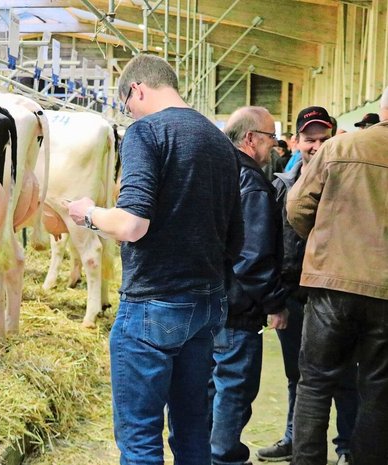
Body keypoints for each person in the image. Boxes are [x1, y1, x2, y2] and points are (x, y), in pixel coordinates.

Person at [67, 53, 244, 465]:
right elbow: (235, 236)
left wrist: (87, 214)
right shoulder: (219, 140)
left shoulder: (146, 132)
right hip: (206, 303)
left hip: (153, 305)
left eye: (127, 105)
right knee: (192, 428)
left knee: (141, 438)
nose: (129, 113)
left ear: (137, 90)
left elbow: (131, 224)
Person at [287, 89, 388, 465]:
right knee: (378, 389)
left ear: (382, 109)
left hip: (331, 284)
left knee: (314, 383)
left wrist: (323, 238)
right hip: (385, 292)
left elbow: (297, 206)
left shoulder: (340, 148)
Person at [256, 106, 358, 465]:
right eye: (309, 139)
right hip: (295, 297)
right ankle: (294, 437)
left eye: (323, 139)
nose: (316, 146)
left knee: (345, 375)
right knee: (296, 374)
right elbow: (270, 244)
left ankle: (347, 445)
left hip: (335, 297)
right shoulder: (282, 186)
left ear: (333, 140)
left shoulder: (349, 182)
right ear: (296, 141)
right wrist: (275, 302)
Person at [211, 106, 288, 465]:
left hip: (204, 302)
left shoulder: (211, 173)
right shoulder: (252, 182)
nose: (275, 146)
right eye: (271, 137)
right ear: (251, 138)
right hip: (237, 308)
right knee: (234, 390)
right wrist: (274, 302)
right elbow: (252, 255)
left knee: (208, 388)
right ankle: (224, 459)